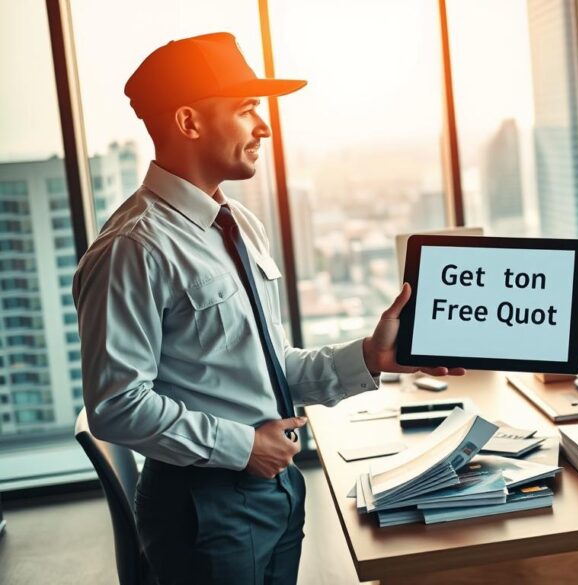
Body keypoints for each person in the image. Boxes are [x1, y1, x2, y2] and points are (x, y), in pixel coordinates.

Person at [73, 32, 464, 585]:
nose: (264, 127)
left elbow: (267, 369)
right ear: (188, 122)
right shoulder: (132, 250)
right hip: (205, 505)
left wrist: (369, 358)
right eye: (246, 109)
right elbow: (117, 406)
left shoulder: (238, 225)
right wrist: (243, 448)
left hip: (274, 484)